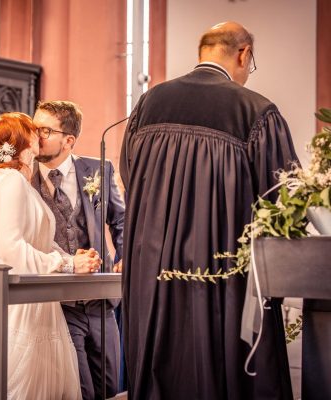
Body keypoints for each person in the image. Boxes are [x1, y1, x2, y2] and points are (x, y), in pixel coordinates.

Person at [119, 21, 296, 399]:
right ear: (243, 53)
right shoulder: (256, 111)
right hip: (219, 272)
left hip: (152, 269)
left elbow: (130, 177)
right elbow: (281, 201)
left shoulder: (149, 104)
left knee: (158, 356)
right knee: (220, 363)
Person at [0, 112, 101, 399]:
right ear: (21, 140)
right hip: (17, 303)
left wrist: (75, 259)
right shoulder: (10, 180)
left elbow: (40, 242)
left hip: (36, 299)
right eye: (32, 130)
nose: (38, 134)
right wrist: (66, 263)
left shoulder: (19, 182)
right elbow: (12, 248)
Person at [32, 100, 125, 399]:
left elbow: (121, 220)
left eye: (44, 130)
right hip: (58, 304)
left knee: (110, 386)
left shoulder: (98, 169)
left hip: (101, 301)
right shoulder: (23, 177)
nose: (35, 136)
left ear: (69, 140)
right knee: (80, 389)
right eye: (34, 128)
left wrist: (125, 256)